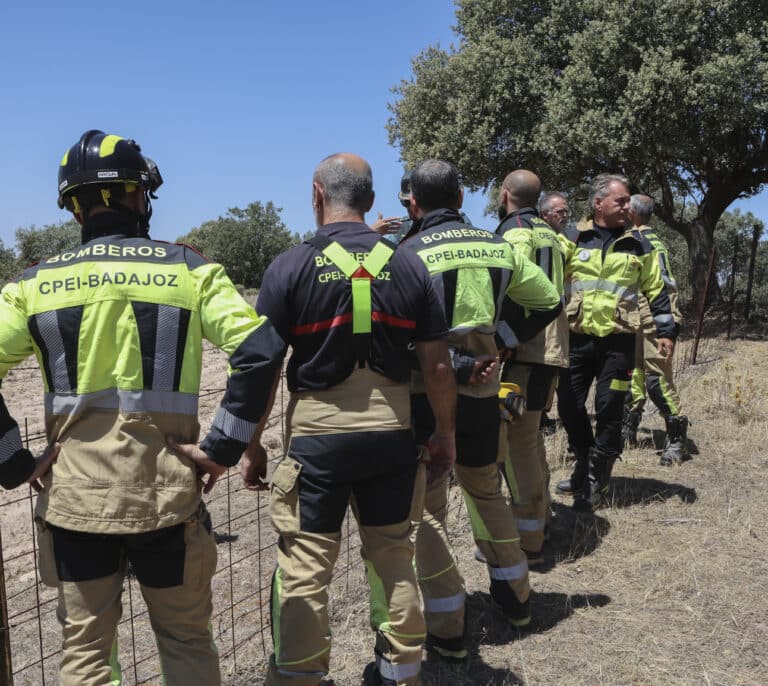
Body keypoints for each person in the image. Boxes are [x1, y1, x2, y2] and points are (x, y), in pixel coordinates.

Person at [0, 130, 284, 686]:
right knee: (185, 641)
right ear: (136, 196)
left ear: (75, 206)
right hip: (168, 500)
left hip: (75, 503)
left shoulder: (32, 285)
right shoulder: (189, 270)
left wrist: (12, 462)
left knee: (84, 654)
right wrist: (222, 449)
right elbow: (260, 350)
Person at [252, 153, 456, 686]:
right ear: (369, 199)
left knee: (304, 569)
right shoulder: (408, 263)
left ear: (317, 194)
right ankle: (402, 673)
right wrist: (444, 435)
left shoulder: (289, 265)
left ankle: (298, 676)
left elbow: (263, 367)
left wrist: (251, 445)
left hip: (317, 441)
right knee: (393, 555)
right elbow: (436, 365)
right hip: (392, 433)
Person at [400, 160, 562, 661]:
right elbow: (549, 298)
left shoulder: (406, 252)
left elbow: (403, 333)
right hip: (484, 392)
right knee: (487, 490)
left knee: (427, 510)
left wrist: (457, 358)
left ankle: (447, 626)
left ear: (413, 202)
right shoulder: (498, 245)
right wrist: (504, 340)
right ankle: (516, 598)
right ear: (463, 197)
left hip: (427, 394)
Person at [556, 174, 678, 511]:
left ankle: (596, 479)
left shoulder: (640, 243)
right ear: (598, 203)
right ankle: (584, 460)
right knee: (568, 405)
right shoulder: (572, 237)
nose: (628, 206)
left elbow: (657, 289)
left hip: (619, 343)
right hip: (576, 340)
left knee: (611, 411)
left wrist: (666, 332)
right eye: (621, 201)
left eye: (628, 201)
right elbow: (550, 280)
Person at [495, 170, 569, 564]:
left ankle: (529, 541)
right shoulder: (551, 234)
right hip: (550, 351)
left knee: (519, 442)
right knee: (532, 436)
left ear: (504, 195)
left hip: (524, 352)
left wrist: (503, 338)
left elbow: (512, 291)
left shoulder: (517, 232)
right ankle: (541, 519)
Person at [621, 194, 687, 464]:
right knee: (632, 374)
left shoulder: (643, 242)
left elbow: (662, 288)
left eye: (626, 208)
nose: (622, 212)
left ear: (634, 214)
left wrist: (667, 324)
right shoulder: (642, 239)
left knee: (657, 380)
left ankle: (677, 439)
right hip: (634, 315)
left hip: (653, 317)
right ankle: (628, 429)